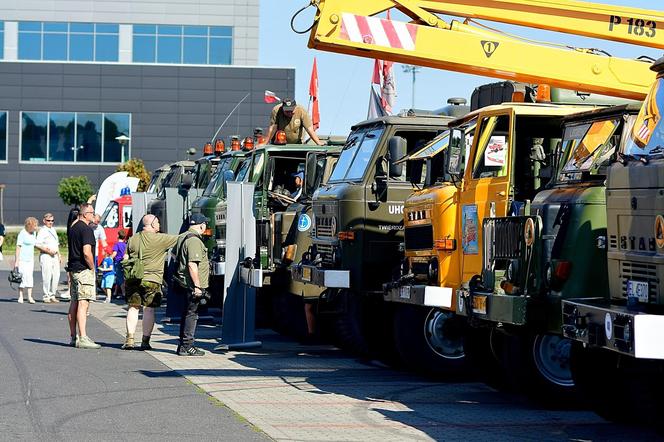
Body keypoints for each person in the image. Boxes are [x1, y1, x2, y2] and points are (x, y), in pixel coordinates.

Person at [122, 214, 178, 350]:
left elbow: (125, 258)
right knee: (149, 310)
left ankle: (129, 339)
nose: (159, 225)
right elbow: (181, 239)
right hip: (152, 280)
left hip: (134, 279)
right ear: (152, 224)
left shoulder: (133, 239)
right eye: (158, 222)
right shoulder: (161, 239)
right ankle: (145, 341)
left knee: (133, 307)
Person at [173, 213, 210, 356]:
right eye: (205, 224)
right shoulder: (194, 240)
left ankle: (183, 345)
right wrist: (197, 286)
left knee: (186, 313)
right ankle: (187, 345)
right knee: (191, 314)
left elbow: (175, 256)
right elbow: (192, 265)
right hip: (191, 285)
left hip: (183, 282)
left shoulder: (182, 236)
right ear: (201, 225)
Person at [67, 203, 101, 349]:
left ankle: (74, 336)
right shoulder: (86, 229)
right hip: (83, 270)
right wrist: (93, 268)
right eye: (92, 213)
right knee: (83, 303)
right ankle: (83, 337)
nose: (93, 216)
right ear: (86, 214)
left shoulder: (73, 227)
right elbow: (87, 252)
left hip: (74, 269)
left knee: (74, 303)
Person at [36, 213, 61, 303]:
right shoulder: (42, 231)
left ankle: (52, 294)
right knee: (47, 276)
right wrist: (48, 251)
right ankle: (46, 295)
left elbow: (56, 244)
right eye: (48, 221)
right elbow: (37, 244)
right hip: (46, 255)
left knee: (56, 275)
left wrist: (59, 255)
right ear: (44, 221)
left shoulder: (53, 230)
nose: (50, 222)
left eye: (52, 221)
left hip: (55, 255)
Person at [14, 217, 39, 304]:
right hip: (22, 259)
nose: (36, 227)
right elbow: (18, 247)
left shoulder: (34, 233)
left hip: (30, 259)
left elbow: (35, 244)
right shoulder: (22, 233)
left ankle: (29, 297)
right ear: (30, 225)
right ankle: (20, 296)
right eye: (35, 225)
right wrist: (16, 261)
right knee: (22, 277)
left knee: (29, 276)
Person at [112, 230, 127, 299]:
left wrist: (109, 258)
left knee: (120, 278)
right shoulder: (125, 245)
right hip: (124, 262)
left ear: (118, 236)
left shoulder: (117, 244)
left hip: (118, 262)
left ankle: (124, 294)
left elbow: (114, 254)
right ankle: (115, 293)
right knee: (119, 277)